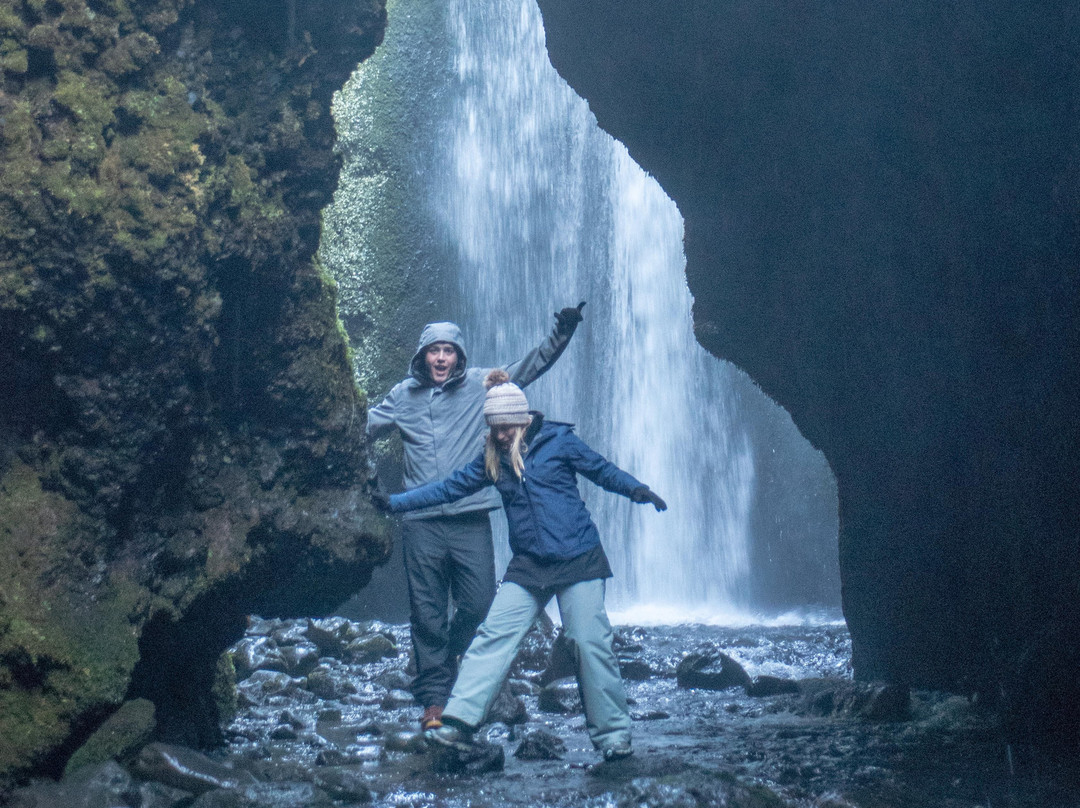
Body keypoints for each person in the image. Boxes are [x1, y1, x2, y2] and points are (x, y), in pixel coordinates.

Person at [372, 369, 668, 762]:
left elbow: (600, 469)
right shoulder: (492, 459)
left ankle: (614, 739)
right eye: (494, 428)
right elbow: (447, 488)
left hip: (578, 557)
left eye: (507, 427)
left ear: (523, 420)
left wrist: (636, 489)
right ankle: (457, 722)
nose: (500, 435)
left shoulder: (559, 442)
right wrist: (394, 503)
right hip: (529, 564)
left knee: (586, 640)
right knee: (493, 635)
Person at [366, 304, 585, 732]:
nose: (442, 358)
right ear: (422, 356)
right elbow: (359, 428)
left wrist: (562, 331)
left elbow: (530, 367)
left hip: (470, 517)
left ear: (459, 355)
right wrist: (365, 476)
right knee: (426, 611)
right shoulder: (402, 396)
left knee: (480, 603)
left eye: (449, 350)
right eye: (434, 351)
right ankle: (432, 699)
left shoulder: (481, 385)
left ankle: (447, 657)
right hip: (421, 521)